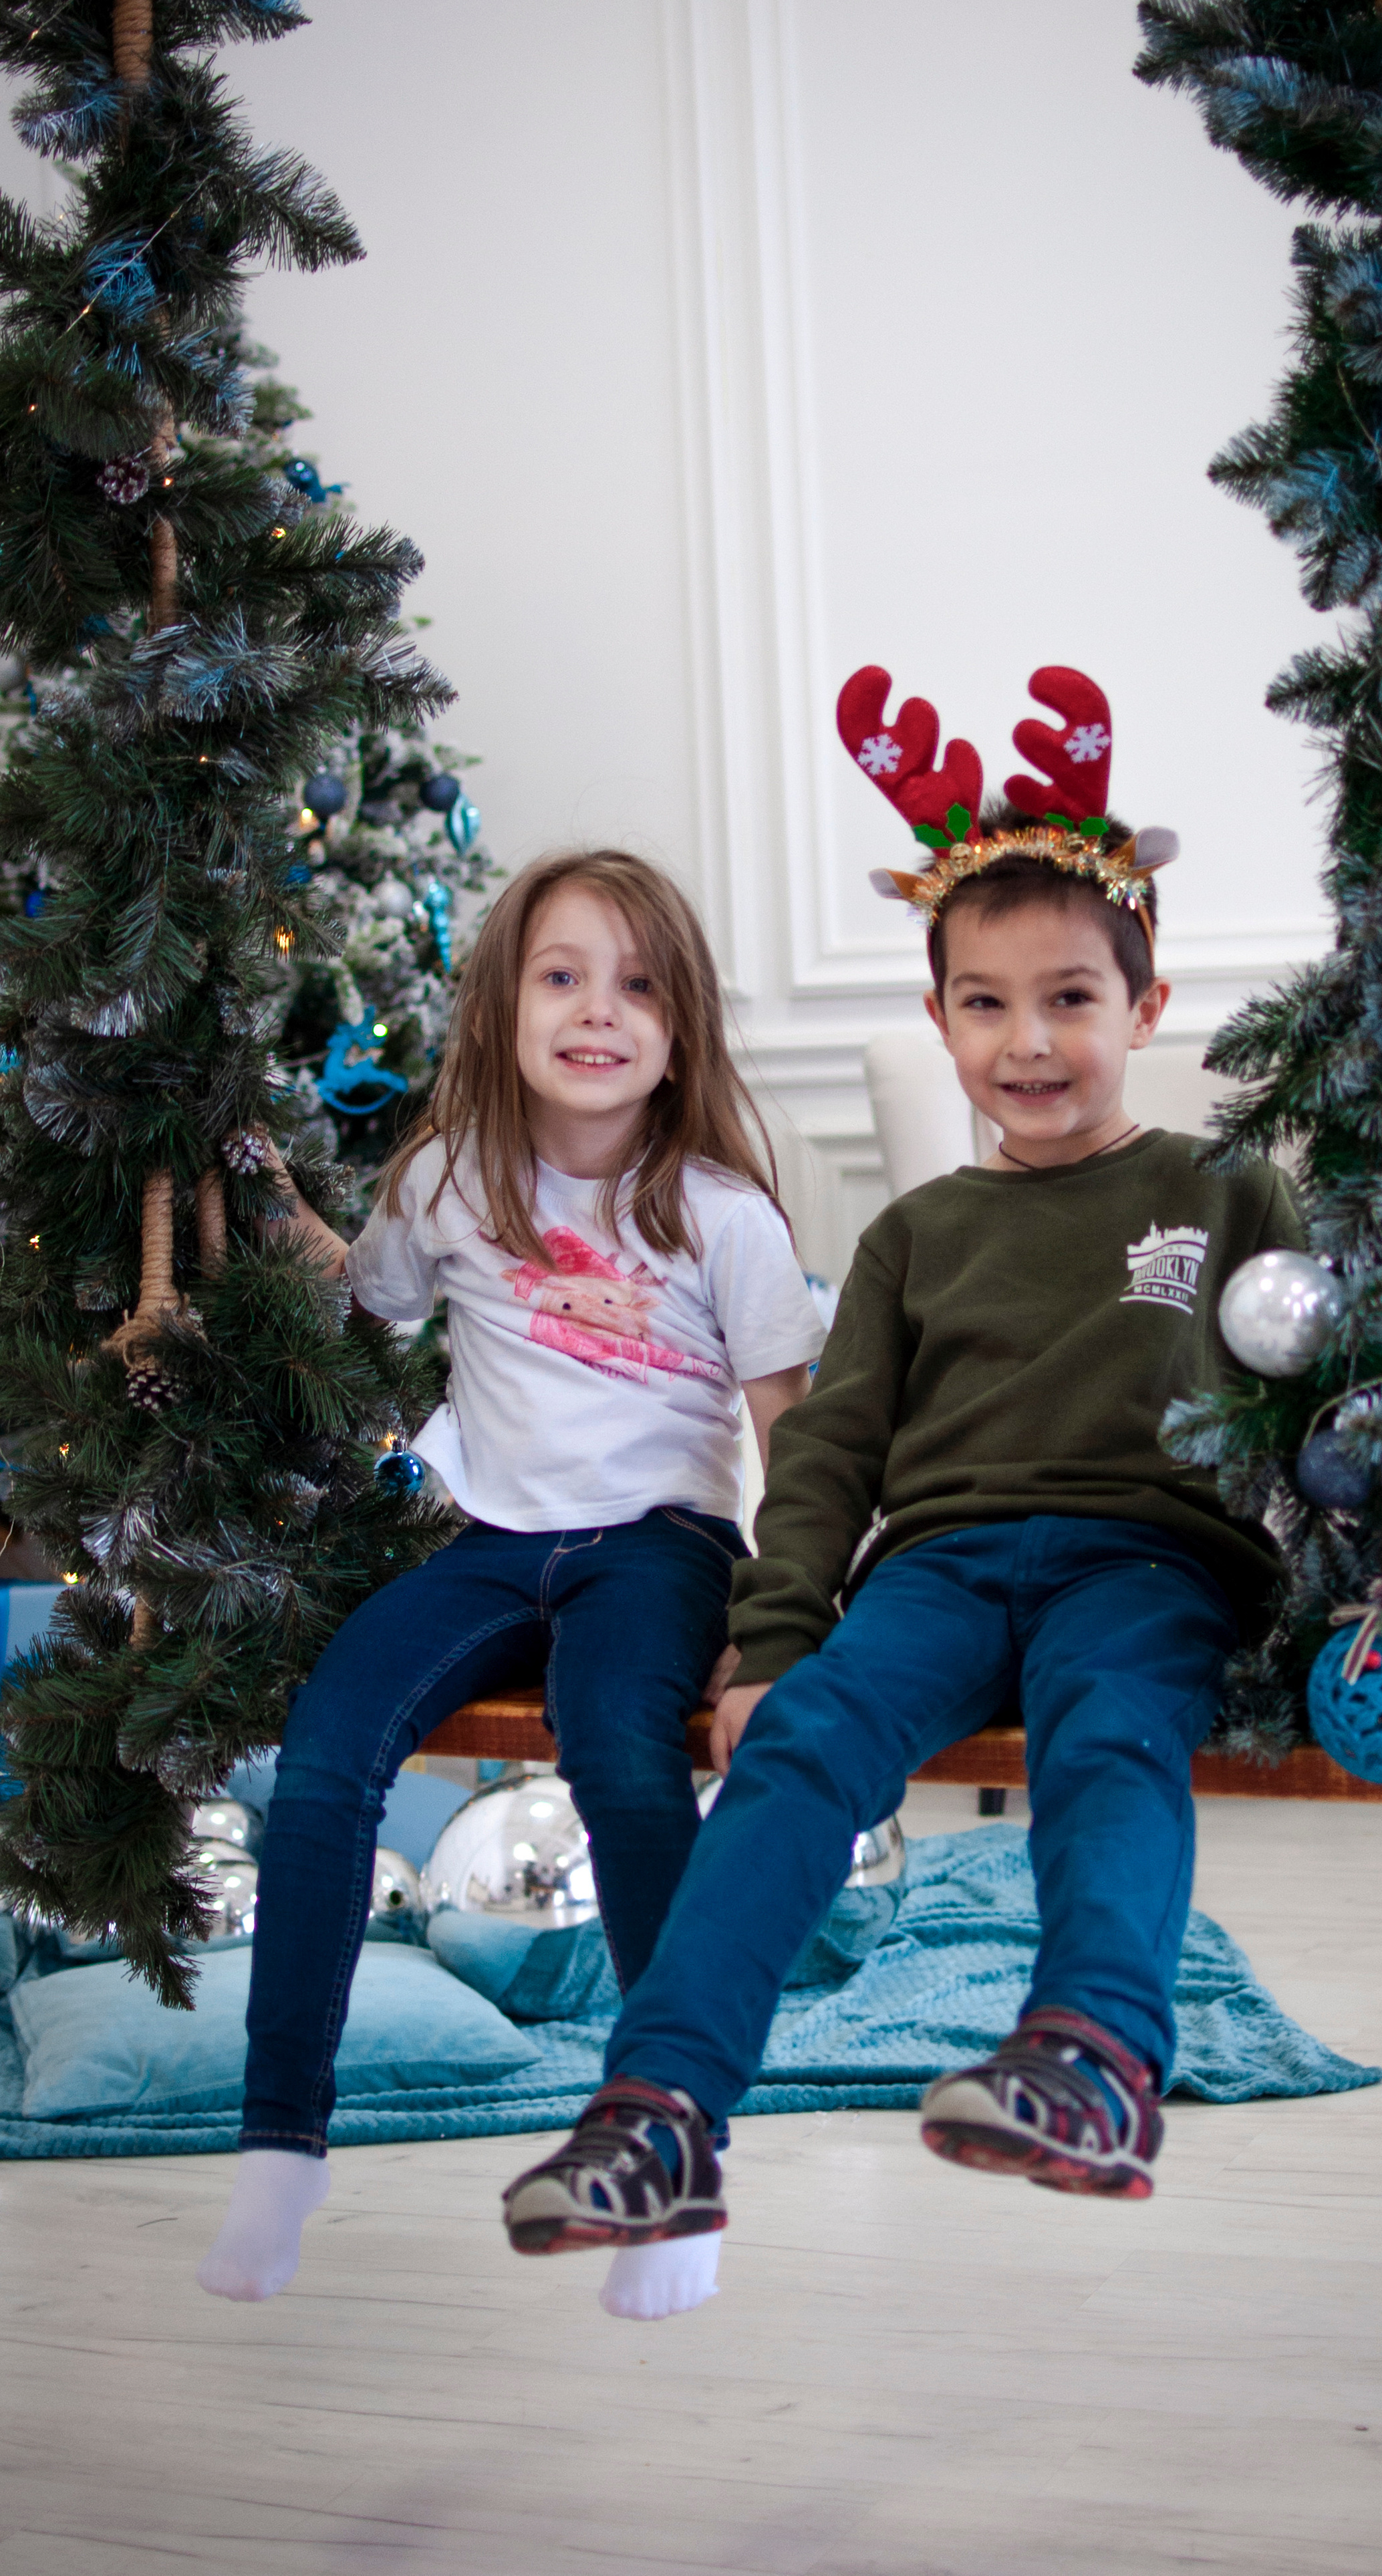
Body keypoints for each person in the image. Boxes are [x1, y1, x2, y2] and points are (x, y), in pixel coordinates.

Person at [498, 666, 1306, 2299]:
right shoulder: (914, 1234)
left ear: (1143, 1007)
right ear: (940, 1025)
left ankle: (1091, 2058)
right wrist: (776, 1638)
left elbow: (1323, 1397)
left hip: (1147, 1564)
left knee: (1109, 1738)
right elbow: (827, 1451)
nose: (1029, 1041)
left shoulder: (1224, 1191)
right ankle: (658, 2112)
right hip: (936, 1568)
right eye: (986, 1005)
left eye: (1069, 998)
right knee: (800, 1745)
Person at [196, 849, 825, 2312]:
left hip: (658, 1545)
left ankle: (674, 2150)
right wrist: (258, 1191)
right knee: (326, 1751)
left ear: (680, 1031)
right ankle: (280, 2145)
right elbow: (363, 1291)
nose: (598, 1009)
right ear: (502, 1005)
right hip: (485, 1545)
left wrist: (777, 1629)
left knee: (621, 1753)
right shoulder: (448, 1179)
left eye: (638, 985)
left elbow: (795, 1441)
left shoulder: (722, 1215)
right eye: (562, 975)